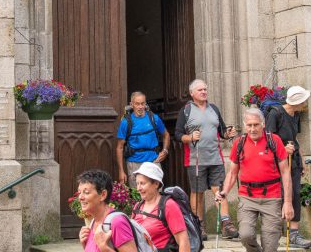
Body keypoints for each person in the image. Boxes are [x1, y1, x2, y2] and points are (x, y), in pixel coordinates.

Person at [216, 108, 295, 252]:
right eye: (249, 125)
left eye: (256, 125)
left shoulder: (274, 140)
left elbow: (285, 173)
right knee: (245, 235)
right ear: (245, 125)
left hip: (272, 197)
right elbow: (232, 174)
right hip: (247, 197)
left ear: (263, 124)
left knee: (270, 246)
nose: (252, 129)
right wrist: (224, 192)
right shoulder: (239, 143)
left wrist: (288, 203)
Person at [174, 79, 238, 239]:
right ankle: (198, 226)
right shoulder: (186, 111)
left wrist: (228, 133)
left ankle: (226, 225)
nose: (204, 92)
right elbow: (177, 134)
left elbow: (222, 130)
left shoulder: (214, 109)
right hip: (195, 160)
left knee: (220, 191)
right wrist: (189, 137)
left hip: (215, 158)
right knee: (198, 193)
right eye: (200, 90)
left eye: (205, 89)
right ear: (192, 93)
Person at [265, 85, 311, 249]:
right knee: (280, 194)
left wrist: (302, 157)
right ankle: (275, 231)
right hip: (279, 161)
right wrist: (282, 149)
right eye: (303, 101)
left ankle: (294, 233)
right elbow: (268, 138)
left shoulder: (296, 115)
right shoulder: (275, 113)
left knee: (295, 194)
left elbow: (295, 138)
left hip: (294, 159)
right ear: (297, 102)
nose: (305, 104)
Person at [132, 162, 190, 252]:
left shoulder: (168, 206)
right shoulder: (137, 207)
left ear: (156, 183)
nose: (138, 188)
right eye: (137, 183)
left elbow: (183, 241)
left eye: (142, 183)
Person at [116, 91, 171, 187]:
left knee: (157, 194)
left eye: (143, 103)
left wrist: (165, 151)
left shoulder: (154, 118)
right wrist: (121, 171)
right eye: (137, 104)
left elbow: (166, 135)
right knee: (138, 196)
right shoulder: (126, 122)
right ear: (131, 104)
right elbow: (119, 147)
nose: (140, 107)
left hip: (154, 161)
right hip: (134, 163)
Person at [77, 170, 137, 252]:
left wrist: (104, 248)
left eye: (86, 192)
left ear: (103, 195)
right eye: (79, 192)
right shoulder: (93, 222)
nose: (80, 197)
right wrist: (85, 245)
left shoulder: (117, 222)